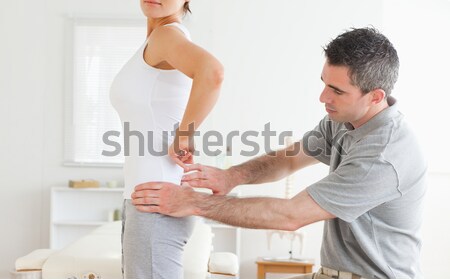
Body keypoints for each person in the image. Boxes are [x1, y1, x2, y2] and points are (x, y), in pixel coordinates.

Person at [131, 27, 427, 279]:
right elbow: (290, 158)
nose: (323, 97)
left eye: (336, 90)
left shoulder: (384, 154)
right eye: (324, 83)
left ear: (375, 96)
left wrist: (195, 203)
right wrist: (231, 177)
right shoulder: (346, 120)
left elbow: (290, 216)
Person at [110, 0, 224, 278]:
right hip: (145, 198)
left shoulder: (166, 35)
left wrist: (184, 135)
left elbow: (212, 72)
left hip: (155, 202)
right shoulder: (157, 40)